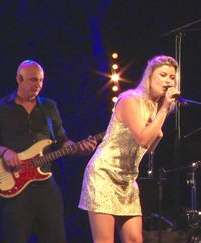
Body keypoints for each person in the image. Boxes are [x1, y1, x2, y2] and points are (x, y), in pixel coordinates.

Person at [0, 59, 98, 243]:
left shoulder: (50, 107)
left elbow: (62, 142)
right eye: (33, 80)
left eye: (41, 80)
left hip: (45, 185)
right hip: (14, 186)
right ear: (19, 78)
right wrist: (4, 152)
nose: (38, 85)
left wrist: (79, 149)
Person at [78, 55, 180, 243]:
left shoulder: (153, 108)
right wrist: (164, 109)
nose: (168, 81)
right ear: (149, 77)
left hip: (127, 180)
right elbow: (142, 139)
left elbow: (148, 148)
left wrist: (157, 133)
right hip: (104, 175)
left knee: (134, 239)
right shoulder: (129, 100)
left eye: (172, 77)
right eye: (163, 75)